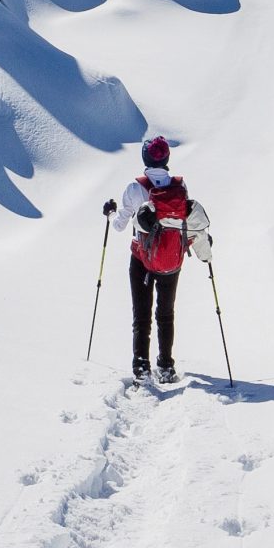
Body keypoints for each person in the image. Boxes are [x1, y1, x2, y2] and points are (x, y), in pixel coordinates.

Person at [103, 135, 211, 385]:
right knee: (166, 313)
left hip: (141, 258)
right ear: (167, 158)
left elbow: (120, 225)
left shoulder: (134, 188)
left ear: (145, 157)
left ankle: (141, 367)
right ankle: (166, 366)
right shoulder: (180, 188)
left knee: (141, 315)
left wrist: (110, 213)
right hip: (172, 260)